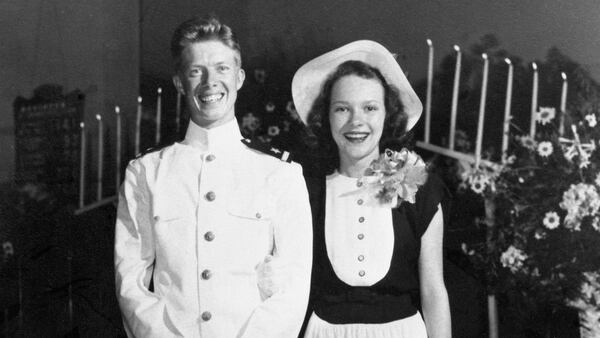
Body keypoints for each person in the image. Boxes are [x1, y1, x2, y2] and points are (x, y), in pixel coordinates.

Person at [114, 16, 312, 337]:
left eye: (222, 68)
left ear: (239, 77)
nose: (210, 82)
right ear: (180, 82)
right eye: (196, 71)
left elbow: (294, 285)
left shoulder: (280, 173)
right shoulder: (146, 172)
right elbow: (130, 280)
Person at [291, 40, 451, 337]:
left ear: (387, 114)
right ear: (325, 116)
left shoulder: (420, 190)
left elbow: (433, 290)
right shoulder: (304, 192)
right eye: (342, 109)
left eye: (370, 107)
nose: (357, 122)